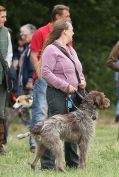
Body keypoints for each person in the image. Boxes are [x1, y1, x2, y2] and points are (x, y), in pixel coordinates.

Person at [30, 4, 72, 169]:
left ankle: (60, 156)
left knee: (60, 116)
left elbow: (70, 56)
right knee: (41, 112)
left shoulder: (67, 32)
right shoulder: (41, 32)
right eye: (66, 16)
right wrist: (40, 75)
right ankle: (36, 145)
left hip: (61, 83)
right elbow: (34, 54)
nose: (69, 18)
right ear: (57, 17)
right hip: (44, 79)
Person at [41, 20, 86, 169]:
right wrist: (64, 85)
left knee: (72, 128)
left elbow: (77, 69)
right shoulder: (51, 50)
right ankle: (47, 165)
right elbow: (45, 73)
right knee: (53, 129)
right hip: (57, 94)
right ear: (64, 31)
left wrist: (82, 79)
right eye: (72, 29)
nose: (74, 32)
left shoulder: (71, 49)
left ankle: (72, 163)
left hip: (72, 95)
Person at [18, 24, 36, 152]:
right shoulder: (26, 48)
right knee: (27, 115)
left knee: (33, 114)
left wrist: (30, 79)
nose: (22, 35)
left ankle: (34, 144)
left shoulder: (33, 48)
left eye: (24, 33)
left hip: (31, 86)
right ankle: (33, 142)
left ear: (32, 34)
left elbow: (33, 65)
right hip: (24, 86)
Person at [0, 5, 13, 154]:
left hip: (2, 77)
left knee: (1, 111)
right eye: (2, 16)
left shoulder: (6, 33)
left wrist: (6, 69)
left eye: (5, 16)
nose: (5, 19)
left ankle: (0, 145)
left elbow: (9, 54)